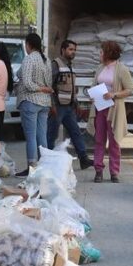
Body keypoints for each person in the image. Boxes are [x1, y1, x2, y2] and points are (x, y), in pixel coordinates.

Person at [87, 40, 133, 183]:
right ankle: (98, 170)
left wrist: (114, 94)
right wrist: (93, 96)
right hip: (100, 108)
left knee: (114, 141)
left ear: (108, 53)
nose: (100, 55)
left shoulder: (121, 69)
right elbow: (94, 84)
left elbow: (130, 90)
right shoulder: (100, 68)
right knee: (99, 139)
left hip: (114, 109)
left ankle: (114, 172)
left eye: (101, 52)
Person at [47, 40, 93, 169]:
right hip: (57, 106)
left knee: (76, 132)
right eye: (70, 49)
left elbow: (71, 88)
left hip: (69, 107)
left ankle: (83, 159)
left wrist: (76, 104)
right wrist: (52, 105)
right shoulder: (56, 64)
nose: (73, 52)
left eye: (74, 50)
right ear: (63, 50)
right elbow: (50, 86)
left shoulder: (70, 66)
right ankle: (45, 160)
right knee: (51, 134)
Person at [15, 32, 53, 176]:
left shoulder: (29, 59)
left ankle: (31, 167)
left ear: (28, 45)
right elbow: (22, 74)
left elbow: (27, 83)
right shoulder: (46, 60)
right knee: (41, 136)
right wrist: (44, 89)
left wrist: (39, 88)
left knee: (31, 137)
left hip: (30, 101)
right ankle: (44, 166)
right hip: (44, 102)